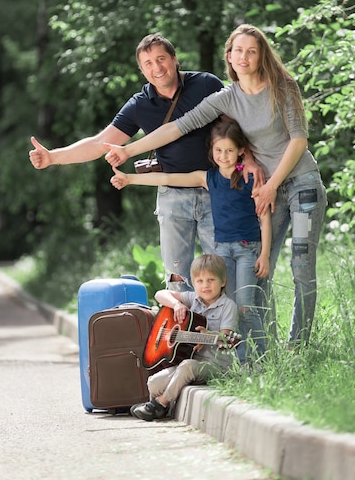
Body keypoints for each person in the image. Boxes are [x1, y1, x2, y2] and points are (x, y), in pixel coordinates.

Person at [105, 24, 327, 348]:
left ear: (261, 55)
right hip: (265, 189)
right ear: (229, 56)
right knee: (259, 268)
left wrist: (271, 185)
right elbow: (178, 127)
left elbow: (298, 140)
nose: (244, 57)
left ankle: (300, 347)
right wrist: (128, 150)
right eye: (238, 51)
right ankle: (262, 349)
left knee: (301, 267)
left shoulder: (283, 87)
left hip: (299, 182)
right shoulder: (227, 98)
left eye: (252, 50)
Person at [29, 32, 262, 292]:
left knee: (224, 269)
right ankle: (182, 332)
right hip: (173, 196)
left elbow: (238, 126)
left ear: (174, 60)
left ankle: (229, 332)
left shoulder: (206, 84)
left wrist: (248, 161)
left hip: (218, 191)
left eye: (161, 59)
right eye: (148, 64)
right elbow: (101, 142)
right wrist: (53, 156)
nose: (157, 68)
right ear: (141, 70)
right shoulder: (140, 105)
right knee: (177, 278)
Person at [111, 117, 270, 363]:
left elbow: (265, 217)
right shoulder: (208, 178)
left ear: (241, 150)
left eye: (229, 150)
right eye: (218, 150)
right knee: (229, 303)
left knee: (246, 306)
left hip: (249, 250)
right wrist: (130, 178)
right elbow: (168, 179)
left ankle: (262, 359)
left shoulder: (249, 177)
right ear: (212, 151)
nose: (224, 156)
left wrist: (265, 254)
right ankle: (236, 359)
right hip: (222, 252)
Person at [130, 253, 238, 421]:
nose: (205, 286)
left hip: (216, 367)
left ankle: (160, 405)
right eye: (200, 281)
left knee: (187, 365)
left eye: (211, 280)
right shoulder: (193, 298)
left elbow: (226, 338)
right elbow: (160, 294)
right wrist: (176, 304)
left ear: (222, 282)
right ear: (193, 283)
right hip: (189, 364)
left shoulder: (228, 306)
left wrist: (209, 335)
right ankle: (156, 407)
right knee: (153, 382)